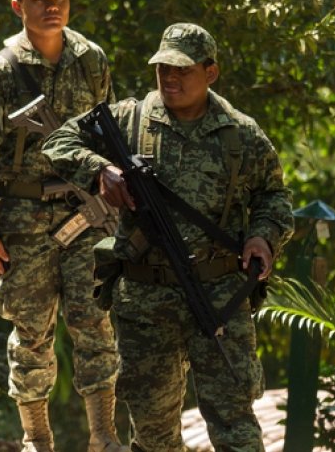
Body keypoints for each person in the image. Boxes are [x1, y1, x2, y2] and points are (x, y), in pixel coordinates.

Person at [43, 23, 294, 452]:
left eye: (182, 70)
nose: (169, 78)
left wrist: (263, 238)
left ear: (210, 72)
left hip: (218, 297)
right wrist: (99, 168)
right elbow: (57, 141)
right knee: (154, 434)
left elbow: (275, 197)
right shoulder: (130, 119)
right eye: (162, 69)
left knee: (235, 425)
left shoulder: (240, 133)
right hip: (146, 301)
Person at [0, 0, 127, 452]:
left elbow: (109, 136)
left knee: (94, 321)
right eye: (40, 1)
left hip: (87, 215)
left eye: (61, 0)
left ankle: (103, 436)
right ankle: (37, 440)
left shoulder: (91, 59)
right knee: (30, 332)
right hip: (23, 222)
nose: (53, 8)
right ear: (18, 7)